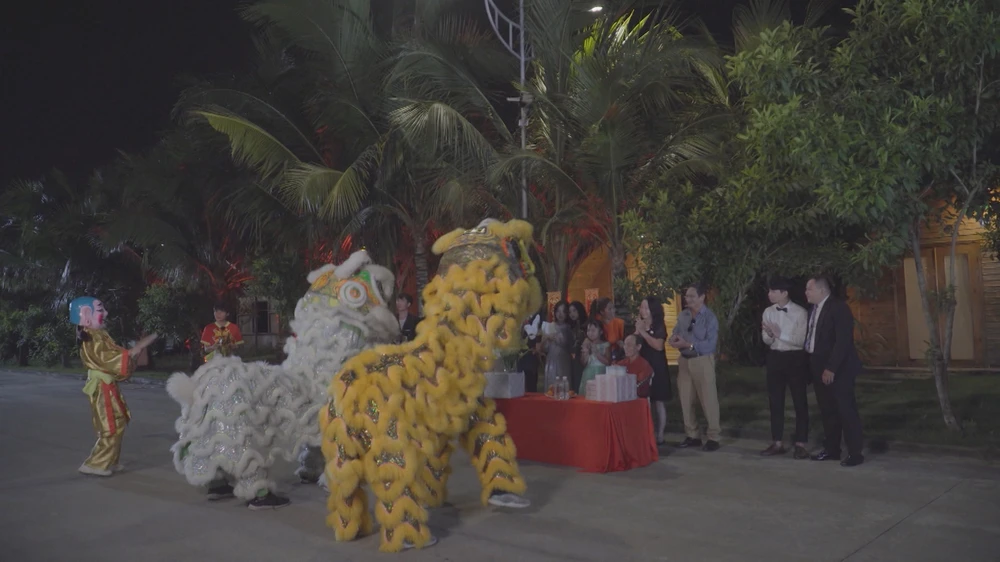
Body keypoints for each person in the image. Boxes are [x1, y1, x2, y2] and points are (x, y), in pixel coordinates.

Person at [70, 296, 157, 477]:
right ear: (86, 315)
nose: (106, 313)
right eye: (100, 310)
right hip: (102, 387)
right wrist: (131, 353)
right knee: (110, 425)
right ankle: (96, 464)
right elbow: (108, 359)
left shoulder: (98, 334)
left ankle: (109, 460)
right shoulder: (91, 338)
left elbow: (114, 354)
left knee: (118, 421)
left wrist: (130, 353)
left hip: (107, 385)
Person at [804, 275, 865, 467]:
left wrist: (831, 368)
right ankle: (832, 449)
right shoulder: (814, 309)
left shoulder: (838, 308)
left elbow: (842, 341)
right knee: (827, 409)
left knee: (845, 409)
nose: (806, 293)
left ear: (822, 290)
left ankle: (855, 452)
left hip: (839, 369)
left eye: (809, 289)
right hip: (817, 364)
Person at [760, 277, 810, 459]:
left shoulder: (800, 312)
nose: (770, 294)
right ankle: (777, 442)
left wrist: (781, 334)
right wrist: (770, 335)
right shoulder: (768, 312)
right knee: (775, 401)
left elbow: (801, 340)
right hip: (775, 357)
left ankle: (801, 443)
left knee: (799, 401)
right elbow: (766, 339)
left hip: (795, 358)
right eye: (769, 291)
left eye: (773, 291)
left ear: (784, 293)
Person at [669, 282, 721, 451]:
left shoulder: (710, 318)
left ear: (701, 297)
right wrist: (674, 339)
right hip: (685, 361)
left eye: (692, 296)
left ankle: (713, 437)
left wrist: (689, 345)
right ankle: (692, 435)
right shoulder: (683, 315)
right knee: (686, 399)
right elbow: (676, 331)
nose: (688, 299)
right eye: (686, 296)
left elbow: (710, 344)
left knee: (708, 400)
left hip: (702, 360)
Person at [635, 296, 672, 445]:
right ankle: (647, 433)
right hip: (643, 366)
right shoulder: (640, 324)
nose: (643, 310)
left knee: (659, 401)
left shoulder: (659, 325)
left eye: (646, 308)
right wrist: (637, 331)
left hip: (657, 365)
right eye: (641, 307)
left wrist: (643, 332)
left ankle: (660, 434)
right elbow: (634, 343)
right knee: (645, 401)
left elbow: (658, 345)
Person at [579, 319, 610, 393]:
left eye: (593, 330)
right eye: (588, 330)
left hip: (601, 372)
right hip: (588, 373)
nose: (590, 333)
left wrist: (597, 353)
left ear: (601, 332)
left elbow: (608, 362)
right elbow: (583, 363)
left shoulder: (606, 345)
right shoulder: (586, 343)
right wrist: (585, 353)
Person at [567, 301, 589, 394]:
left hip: (584, 357)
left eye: (574, 310)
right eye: (570, 312)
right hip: (573, 358)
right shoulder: (571, 327)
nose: (572, 314)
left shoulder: (587, 325)